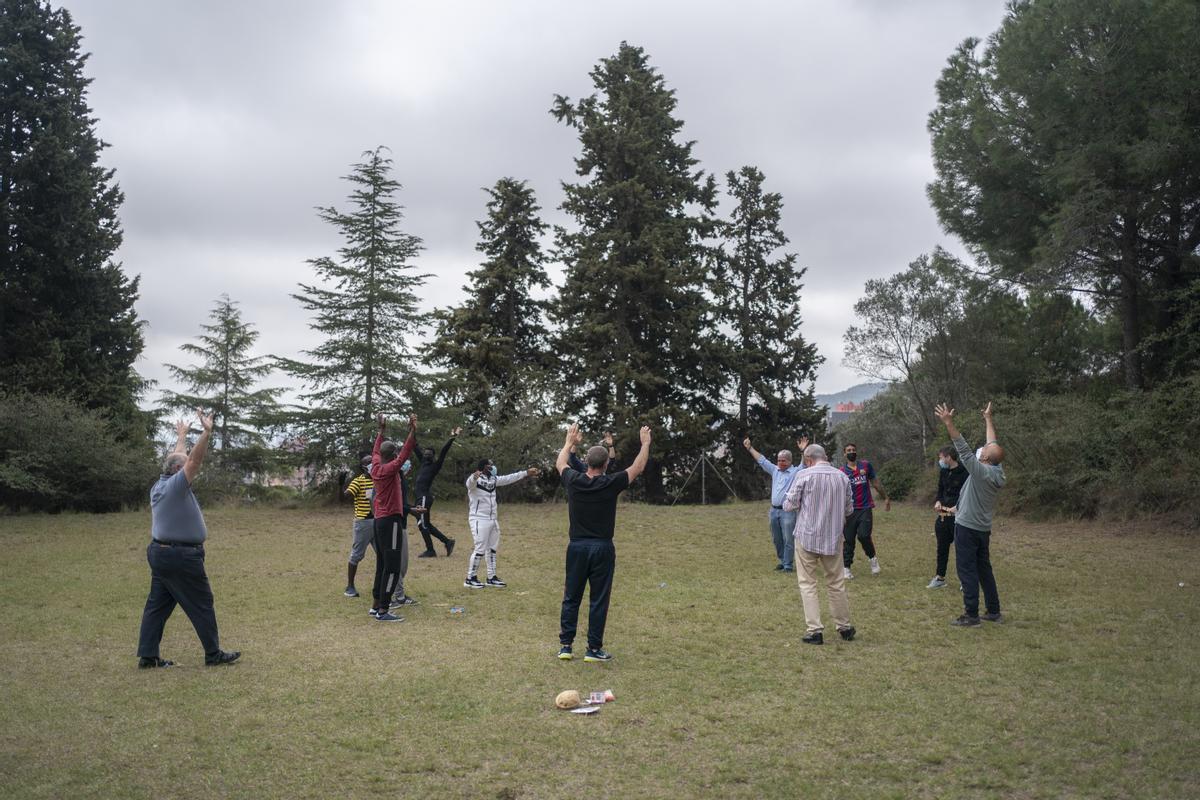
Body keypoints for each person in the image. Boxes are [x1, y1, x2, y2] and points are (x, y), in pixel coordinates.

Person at [136, 411, 240, 668]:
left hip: (162, 554)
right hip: (180, 556)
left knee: (157, 605)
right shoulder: (175, 486)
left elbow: (178, 457)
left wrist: (181, 436)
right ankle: (213, 654)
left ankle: (148, 657)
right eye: (183, 467)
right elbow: (193, 461)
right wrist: (206, 433)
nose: (191, 472)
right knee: (202, 603)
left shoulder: (161, 483)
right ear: (177, 471)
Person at [554, 423, 651, 662]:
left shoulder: (574, 480)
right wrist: (646, 443)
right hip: (602, 548)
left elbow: (560, 463)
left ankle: (566, 646)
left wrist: (569, 443)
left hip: (576, 547)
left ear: (587, 463)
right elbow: (638, 467)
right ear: (606, 464)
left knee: (571, 597)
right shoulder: (610, 483)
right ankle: (593, 650)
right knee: (598, 599)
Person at [933, 402, 1007, 627]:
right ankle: (993, 611)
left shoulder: (980, 471)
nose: (982, 448)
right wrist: (987, 419)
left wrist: (948, 422)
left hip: (967, 527)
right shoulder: (997, 470)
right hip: (982, 528)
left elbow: (962, 448)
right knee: (984, 568)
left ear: (984, 459)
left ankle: (971, 614)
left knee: (967, 569)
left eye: (983, 450)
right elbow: (993, 444)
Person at [782, 444, 855, 645]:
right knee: (836, 582)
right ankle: (844, 626)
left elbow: (788, 505)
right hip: (833, 537)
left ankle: (815, 630)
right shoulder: (842, 477)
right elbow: (849, 509)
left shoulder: (804, 476)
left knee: (808, 583)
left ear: (808, 459)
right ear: (825, 456)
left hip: (807, 536)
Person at [369, 412, 418, 622]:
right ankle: (383, 610)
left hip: (379, 520)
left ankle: (375, 605)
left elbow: (376, 449)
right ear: (392, 454)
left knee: (382, 563)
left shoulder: (376, 465)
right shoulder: (390, 469)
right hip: (392, 521)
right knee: (392, 566)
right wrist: (413, 430)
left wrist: (381, 430)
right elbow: (405, 454)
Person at [463, 458, 540, 589]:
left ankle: (491, 577)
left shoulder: (493, 480)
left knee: (492, 549)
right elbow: (469, 484)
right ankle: (470, 578)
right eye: (490, 465)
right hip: (478, 519)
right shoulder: (476, 481)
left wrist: (526, 473)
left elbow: (509, 478)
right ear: (484, 467)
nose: (493, 467)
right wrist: (474, 476)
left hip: (493, 519)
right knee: (480, 549)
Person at [743, 435, 809, 572]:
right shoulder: (775, 470)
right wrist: (750, 448)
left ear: (790, 461)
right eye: (779, 460)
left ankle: (788, 565)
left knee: (788, 539)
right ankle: (782, 560)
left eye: (783, 461)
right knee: (777, 539)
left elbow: (804, 464)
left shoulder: (796, 472)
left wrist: (803, 450)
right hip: (774, 511)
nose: (780, 463)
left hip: (788, 511)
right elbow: (762, 460)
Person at [839, 443, 891, 579]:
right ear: (844, 454)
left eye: (853, 450)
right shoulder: (841, 472)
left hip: (865, 508)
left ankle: (872, 559)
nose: (852, 452)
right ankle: (846, 568)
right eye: (849, 451)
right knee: (848, 539)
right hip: (849, 510)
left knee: (863, 535)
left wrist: (885, 497)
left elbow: (875, 482)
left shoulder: (866, 466)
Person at [413, 428, 461, 558]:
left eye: (429, 454)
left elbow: (444, 450)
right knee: (426, 524)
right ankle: (448, 542)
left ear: (433, 456)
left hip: (423, 498)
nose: (427, 455)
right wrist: (412, 429)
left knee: (422, 524)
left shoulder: (435, 465)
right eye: (426, 453)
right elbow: (414, 445)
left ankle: (430, 550)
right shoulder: (422, 462)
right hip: (420, 497)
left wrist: (453, 437)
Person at [928, 446, 968, 589]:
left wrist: (958, 507)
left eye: (941, 457)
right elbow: (940, 490)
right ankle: (940, 578)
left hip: (959, 518)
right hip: (943, 517)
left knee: (962, 550)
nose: (940, 460)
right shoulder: (943, 471)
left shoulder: (965, 472)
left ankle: (965, 581)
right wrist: (938, 501)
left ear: (948, 457)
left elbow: (966, 494)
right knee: (942, 548)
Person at [341, 455, 375, 597]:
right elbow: (346, 496)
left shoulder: (378, 480)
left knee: (383, 554)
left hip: (378, 521)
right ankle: (350, 587)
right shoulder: (358, 481)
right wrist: (341, 485)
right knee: (357, 555)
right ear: (363, 467)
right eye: (368, 463)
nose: (372, 464)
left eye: (373, 461)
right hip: (363, 523)